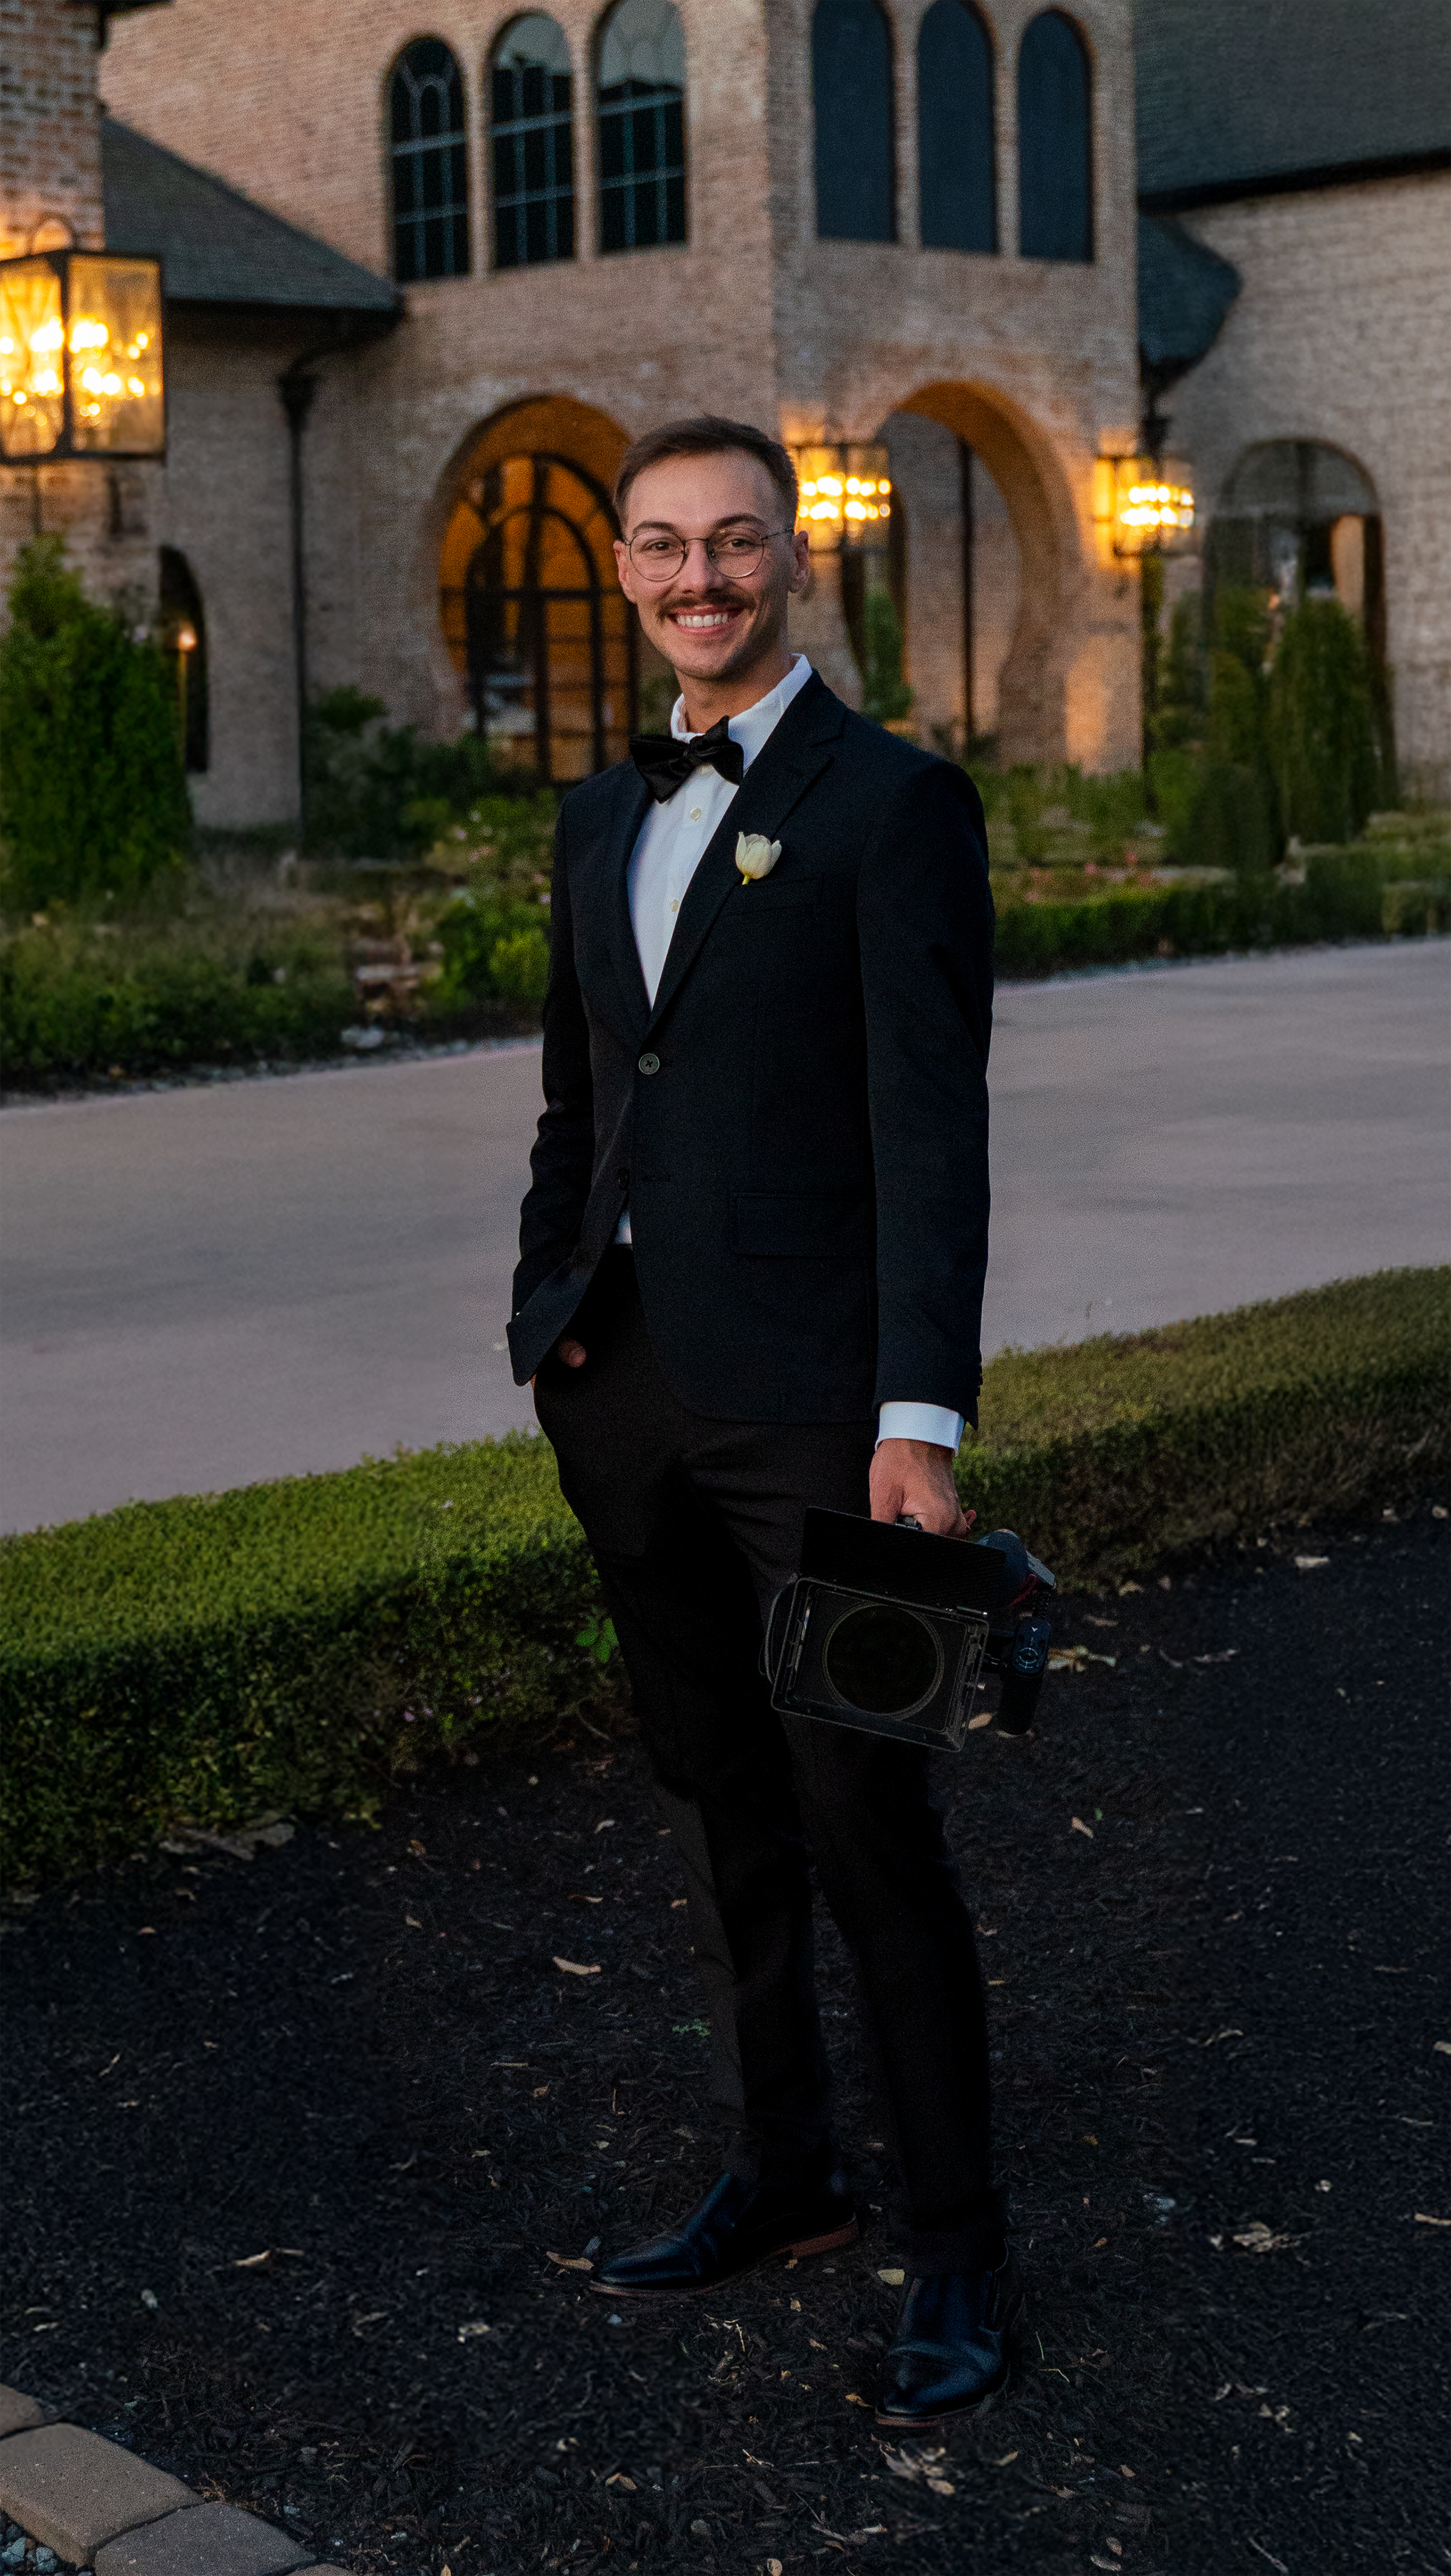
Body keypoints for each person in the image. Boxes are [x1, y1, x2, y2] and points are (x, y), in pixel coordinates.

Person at [508, 416, 1016, 2429]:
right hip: (625, 1393)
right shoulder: (592, 816)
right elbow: (578, 1100)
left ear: (791, 557)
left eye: (731, 541)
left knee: (865, 1816)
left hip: (823, 1416)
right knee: (720, 1798)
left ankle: (959, 2240)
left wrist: (918, 1414)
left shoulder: (893, 804)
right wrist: (548, 1321)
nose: (696, 577)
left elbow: (933, 1136)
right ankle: (789, 2169)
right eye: (660, 544)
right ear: (625, 569)